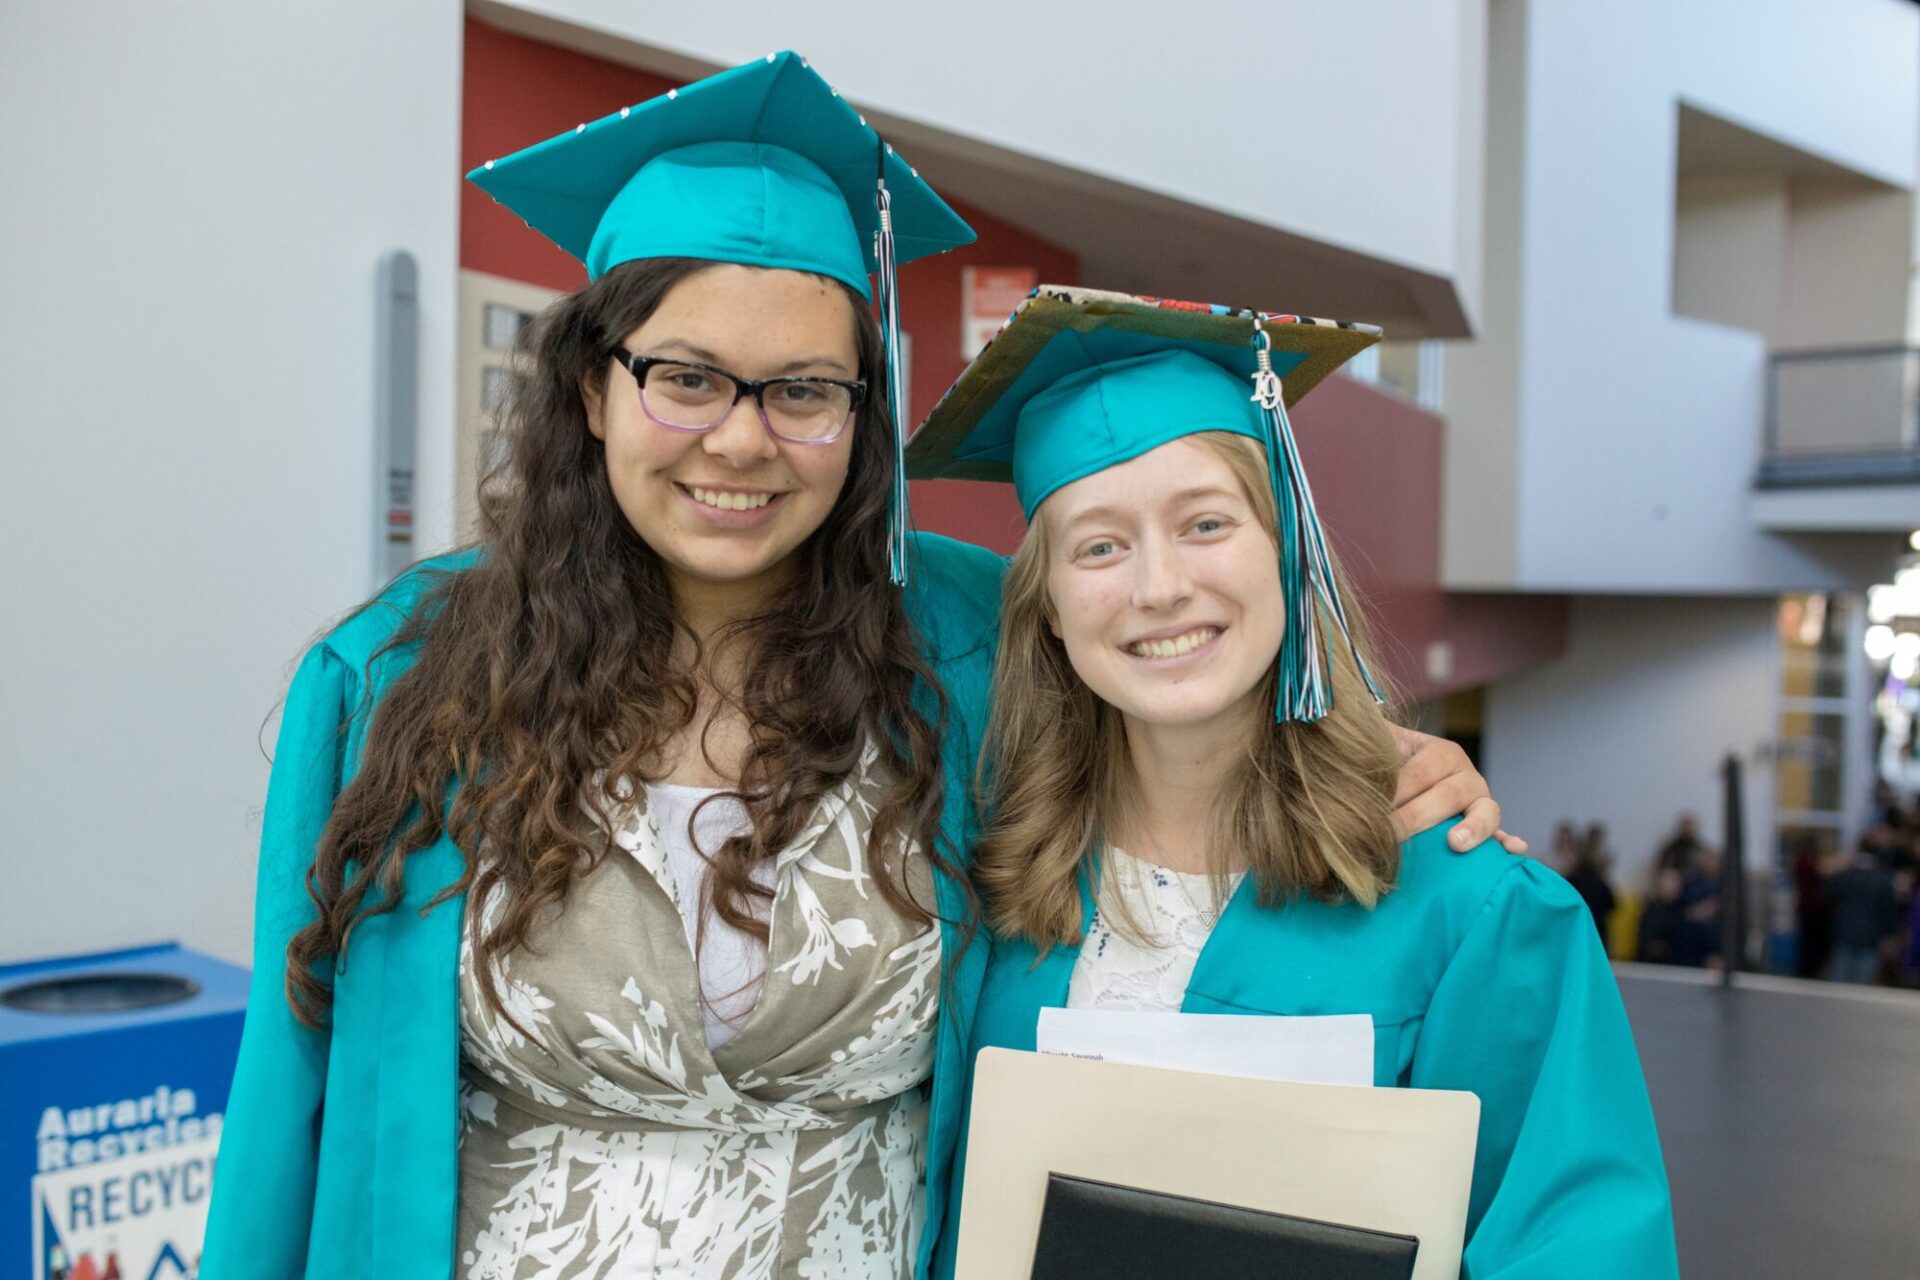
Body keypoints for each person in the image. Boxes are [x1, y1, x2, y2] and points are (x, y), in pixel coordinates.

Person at [199, 57, 1510, 1280]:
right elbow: (291, 1096)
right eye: (687, 378)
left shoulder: (963, 639)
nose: (741, 440)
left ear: (859, 410)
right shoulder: (401, 678)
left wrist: (1376, 755)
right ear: (590, 390)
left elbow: (1183, 718)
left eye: (803, 391)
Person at [906, 292, 1677, 1278]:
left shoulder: (1476, 911)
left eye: (1206, 522)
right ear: (1049, 608)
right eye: (1100, 544)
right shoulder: (995, 893)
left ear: (1289, 550)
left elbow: (1579, 1248)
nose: (1159, 587)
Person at [1826, 847, 1899, 984]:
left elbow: (1827, 895)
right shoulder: (1883, 880)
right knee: (1863, 986)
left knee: (1839, 985)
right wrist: (1890, 936)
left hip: (1845, 935)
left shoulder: (1844, 876)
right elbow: (1889, 912)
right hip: (1870, 939)